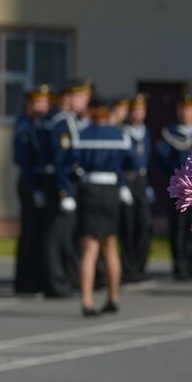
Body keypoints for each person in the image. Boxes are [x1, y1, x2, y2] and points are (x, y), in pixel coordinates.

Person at [72, 95, 138, 316]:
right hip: (111, 190)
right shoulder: (120, 135)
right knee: (110, 245)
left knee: (89, 248)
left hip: (89, 189)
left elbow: (71, 161)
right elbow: (132, 163)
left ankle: (87, 300)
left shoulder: (81, 135)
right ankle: (113, 297)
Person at [38, 79, 90, 298]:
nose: (84, 101)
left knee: (65, 235)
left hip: (68, 181)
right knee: (57, 236)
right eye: (80, 97)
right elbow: (60, 160)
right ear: (68, 98)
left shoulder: (69, 120)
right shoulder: (61, 122)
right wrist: (64, 191)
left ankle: (64, 279)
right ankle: (55, 282)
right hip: (61, 183)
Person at [156, 95, 192, 281]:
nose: (186, 113)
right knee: (178, 227)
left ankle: (191, 264)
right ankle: (179, 265)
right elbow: (161, 159)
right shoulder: (170, 133)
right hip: (178, 188)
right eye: (183, 108)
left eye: (190, 109)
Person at [12, 85, 51, 294]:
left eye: (44, 102)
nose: (41, 106)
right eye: (37, 102)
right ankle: (25, 282)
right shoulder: (24, 126)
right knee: (29, 234)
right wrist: (35, 188)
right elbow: (23, 160)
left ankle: (39, 278)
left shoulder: (45, 124)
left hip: (43, 182)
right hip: (30, 182)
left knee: (42, 234)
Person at [120, 93, 154, 282]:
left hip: (141, 180)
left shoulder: (144, 131)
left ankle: (140, 266)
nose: (139, 114)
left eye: (142, 110)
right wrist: (123, 186)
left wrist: (148, 185)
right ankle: (129, 267)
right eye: (135, 110)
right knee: (128, 225)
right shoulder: (123, 131)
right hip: (128, 179)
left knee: (145, 225)